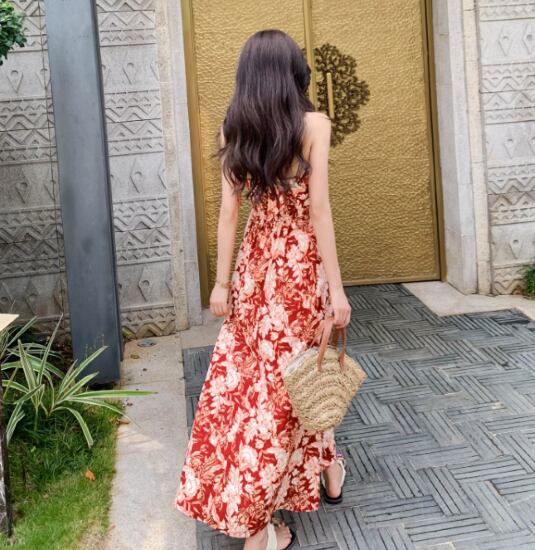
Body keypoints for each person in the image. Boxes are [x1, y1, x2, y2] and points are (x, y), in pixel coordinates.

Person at [175, 29, 352, 550]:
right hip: (299, 272)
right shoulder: (314, 125)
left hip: (256, 269)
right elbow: (319, 212)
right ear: (293, 73)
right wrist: (337, 290)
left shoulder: (234, 127)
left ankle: (329, 468)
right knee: (293, 383)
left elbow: (229, 214)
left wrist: (221, 282)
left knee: (260, 384)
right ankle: (259, 528)